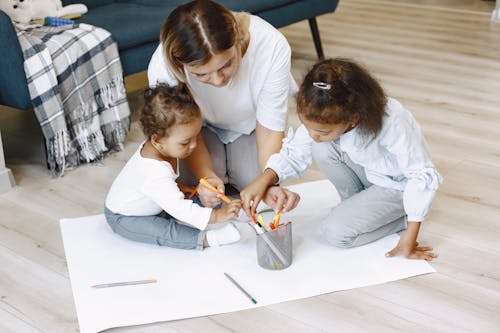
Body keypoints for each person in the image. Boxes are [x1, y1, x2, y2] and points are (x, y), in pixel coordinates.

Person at [241, 58, 442, 260]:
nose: (312, 135)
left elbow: (420, 174)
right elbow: (295, 152)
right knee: (321, 147)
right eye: (306, 125)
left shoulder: (392, 120)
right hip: (372, 173)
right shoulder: (324, 117)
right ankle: (359, 208)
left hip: (398, 186)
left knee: (335, 234)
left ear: (353, 118)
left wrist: (410, 235)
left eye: (322, 131)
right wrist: (264, 180)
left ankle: (402, 217)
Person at [148, 0, 298, 211]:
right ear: (179, 64)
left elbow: (270, 129)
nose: (219, 81)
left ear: (236, 37)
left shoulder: (271, 45)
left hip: (253, 125)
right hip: (197, 130)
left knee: (259, 190)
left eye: (226, 64)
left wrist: (268, 181)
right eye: (201, 74)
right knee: (199, 192)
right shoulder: (162, 67)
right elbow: (183, 130)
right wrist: (206, 176)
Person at [104, 84, 242, 250]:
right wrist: (215, 217)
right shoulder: (153, 171)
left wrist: (182, 188)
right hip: (125, 217)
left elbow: (163, 186)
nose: (193, 146)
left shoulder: (162, 149)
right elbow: (179, 208)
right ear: (157, 140)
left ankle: (236, 210)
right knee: (163, 231)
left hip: (154, 203)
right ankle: (207, 239)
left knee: (192, 196)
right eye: (185, 142)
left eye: (196, 137)